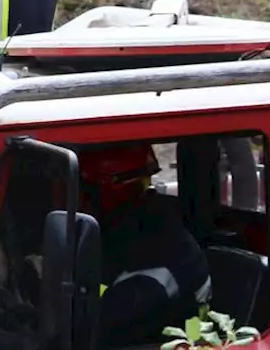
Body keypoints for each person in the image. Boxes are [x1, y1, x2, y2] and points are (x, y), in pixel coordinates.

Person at [79, 145, 213, 347]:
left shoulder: (161, 257)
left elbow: (91, 328)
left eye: (85, 190)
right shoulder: (125, 229)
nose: (81, 200)